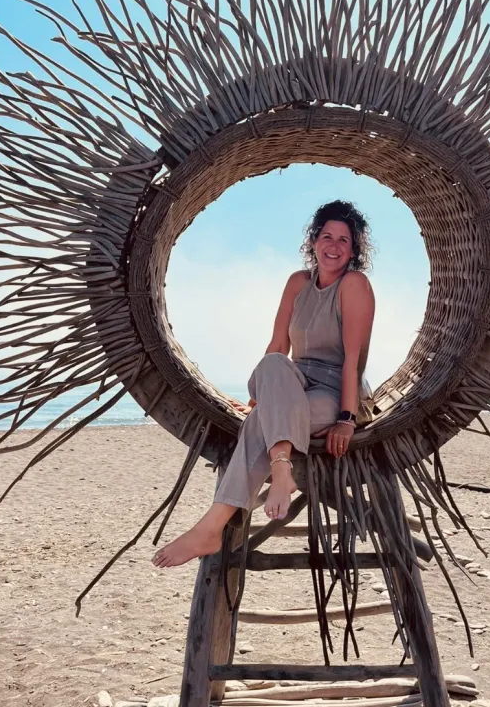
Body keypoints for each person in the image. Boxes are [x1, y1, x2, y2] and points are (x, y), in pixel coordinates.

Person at [152, 200, 376, 568]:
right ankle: (282, 470)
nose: (333, 246)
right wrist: (262, 400)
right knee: (272, 363)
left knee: (258, 426)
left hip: (336, 389)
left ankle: (210, 527)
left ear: (353, 251)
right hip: (294, 381)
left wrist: (347, 418)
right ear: (314, 241)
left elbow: (355, 359)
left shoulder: (354, 284)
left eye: (344, 240)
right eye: (327, 237)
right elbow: (277, 346)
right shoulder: (298, 283)